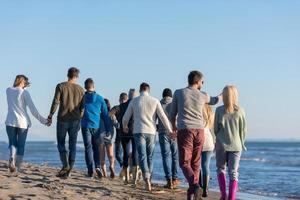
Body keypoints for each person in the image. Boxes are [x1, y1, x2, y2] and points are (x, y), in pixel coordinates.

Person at [169, 70, 221, 200]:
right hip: (200, 131)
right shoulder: (203, 95)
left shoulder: (179, 93)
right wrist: (221, 96)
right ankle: (191, 194)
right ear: (197, 82)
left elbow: (172, 114)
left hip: (185, 130)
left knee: (184, 163)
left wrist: (173, 127)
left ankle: (195, 186)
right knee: (195, 163)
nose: (202, 83)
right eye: (202, 81)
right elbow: (214, 101)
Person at [123, 83, 173, 191]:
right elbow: (163, 117)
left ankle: (146, 179)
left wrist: (125, 126)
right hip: (151, 132)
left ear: (140, 90)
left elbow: (126, 116)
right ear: (149, 90)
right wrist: (170, 130)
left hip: (138, 131)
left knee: (142, 156)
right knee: (150, 156)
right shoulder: (155, 101)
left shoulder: (134, 101)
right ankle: (149, 178)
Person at [5, 75, 49, 173]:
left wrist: (23, 87)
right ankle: (17, 167)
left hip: (10, 121)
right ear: (22, 82)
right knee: (21, 145)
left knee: (12, 143)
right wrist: (44, 121)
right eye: (25, 82)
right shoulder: (25, 93)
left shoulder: (8, 90)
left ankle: (12, 158)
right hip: (22, 123)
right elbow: (33, 110)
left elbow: (15, 90)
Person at [48, 67, 85, 178]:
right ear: (77, 77)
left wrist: (51, 114)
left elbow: (56, 102)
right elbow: (83, 107)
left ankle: (65, 165)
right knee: (72, 145)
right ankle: (69, 169)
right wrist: (80, 118)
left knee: (61, 143)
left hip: (62, 119)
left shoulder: (61, 86)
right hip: (75, 120)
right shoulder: (81, 90)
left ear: (67, 75)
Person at [214, 85, 246, 200]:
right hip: (236, 145)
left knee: (221, 169)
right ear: (235, 95)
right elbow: (243, 130)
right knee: (233, 172)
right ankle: (232, 198)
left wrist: (216, 141)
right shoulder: (240, 110)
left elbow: (215, 129)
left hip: (221, 145)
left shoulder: (219, 110)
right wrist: (242, 143)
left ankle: (223, 195)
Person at [81, 78, 111, 178]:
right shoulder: (100, 98)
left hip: (85, 125)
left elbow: (77, 111)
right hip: (96, 126)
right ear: (93, 86)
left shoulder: (82, 97)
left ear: (85, 87)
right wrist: (108, 129)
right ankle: (97, 166)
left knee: (88, 148)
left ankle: (90, 171)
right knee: (96, 148)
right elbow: (106, 115)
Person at [110, 89, 137, 184]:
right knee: (132, 154)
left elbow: (109, 114)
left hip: (122, 132)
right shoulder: (135, 105)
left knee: (125, 154)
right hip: (132, 132)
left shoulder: (120, 106)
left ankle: (127, 175)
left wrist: (117, 124)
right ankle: (132, 175)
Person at [157, 88, 180, 189]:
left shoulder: (158, 104)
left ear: (163, 95)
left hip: (162, 132)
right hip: (174, 132)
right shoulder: (175, 103)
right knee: (175, 155)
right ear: (171, 96)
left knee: (165, 156)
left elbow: (156, 117)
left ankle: (168, 179)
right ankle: (175, 179)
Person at [98, 98, 117, 179]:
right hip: (110, 137)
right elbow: (117, 125)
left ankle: (104, 173)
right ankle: (112, 166)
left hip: (100, 137)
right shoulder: (112, 115)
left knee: (102, 156)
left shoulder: (98, 115)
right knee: (111, 155)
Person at [199, 104, 215, 198]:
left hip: (199, 140)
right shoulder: (210, 114)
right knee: (205, 166)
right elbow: (213, 131)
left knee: (197, 165)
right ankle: (205, 189)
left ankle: (199, 186)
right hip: (209, 142)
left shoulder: (198, 112)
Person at [109, 93, 128, 168]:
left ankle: (124, 166)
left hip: (119, 133)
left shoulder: (117, 107)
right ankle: (128, 168)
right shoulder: (129, 107)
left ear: (119, 100)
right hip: (129, 133)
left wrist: (117, 124)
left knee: (117, 154)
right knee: (128, 154)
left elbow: (109, 114)